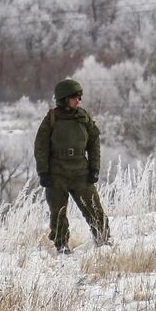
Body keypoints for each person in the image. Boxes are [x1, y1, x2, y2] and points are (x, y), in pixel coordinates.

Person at [33, 78, 111, 254]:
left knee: (94, 209)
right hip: (57, 173)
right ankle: (61, 246)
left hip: (80, 172)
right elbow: (41, 147)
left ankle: (103, 241)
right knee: (58, 213)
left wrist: (94, 168)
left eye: (79, 97)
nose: (79, 101)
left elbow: (94, 143)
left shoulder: (83, 117)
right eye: (75, 97)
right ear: (64, 99)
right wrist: (43, 172)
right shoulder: (51, 119)